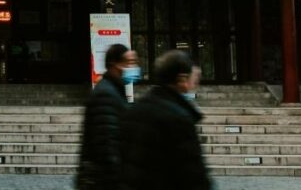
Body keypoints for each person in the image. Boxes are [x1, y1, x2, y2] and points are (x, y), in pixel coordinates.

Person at [120, 50, 212, 190]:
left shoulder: (134, 110)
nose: (195, 83)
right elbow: (192, 175)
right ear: (182, 79)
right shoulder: (179, 118)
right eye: (194, 78)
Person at [76, 43, 140, 190]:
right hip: (104, 181)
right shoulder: (106, 94)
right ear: (114, 64)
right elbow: (107, 146)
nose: (133, 68)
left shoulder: (115, 91)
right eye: (129, 63)